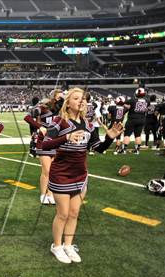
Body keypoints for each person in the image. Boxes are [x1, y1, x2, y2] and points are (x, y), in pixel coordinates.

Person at [41, 88, 123, 264]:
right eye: (76, 98)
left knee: (74, 213)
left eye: (83, 99)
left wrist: (109, 138)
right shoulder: (58, 122)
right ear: (68, 102)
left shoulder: (89, 124)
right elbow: (45, 145)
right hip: (61, 174)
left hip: (80, 174)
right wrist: (66, 137)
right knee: (62, 214)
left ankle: (68, 245)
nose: (81, 101)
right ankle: (56, 246)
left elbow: (97, 148)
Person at [24, 89, 63, 204]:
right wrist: (39, 126)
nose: (61, 99)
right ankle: (43, 194)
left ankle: (50, 194)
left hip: (57, 141)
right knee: (47, 170)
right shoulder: (42, 107)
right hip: (44, 141)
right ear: (54, 97)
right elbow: (27, 117)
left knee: (54, 171)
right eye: (59, 97)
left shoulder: (63, 110)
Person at [120, 88, 149, 155]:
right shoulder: (147, 100)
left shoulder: (132, 100)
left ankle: (124, 150)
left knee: (127, 134)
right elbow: (147, 109)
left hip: (132, 119)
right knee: (138, 135)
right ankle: (137, 150)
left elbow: (124, 104)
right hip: (142, 119)